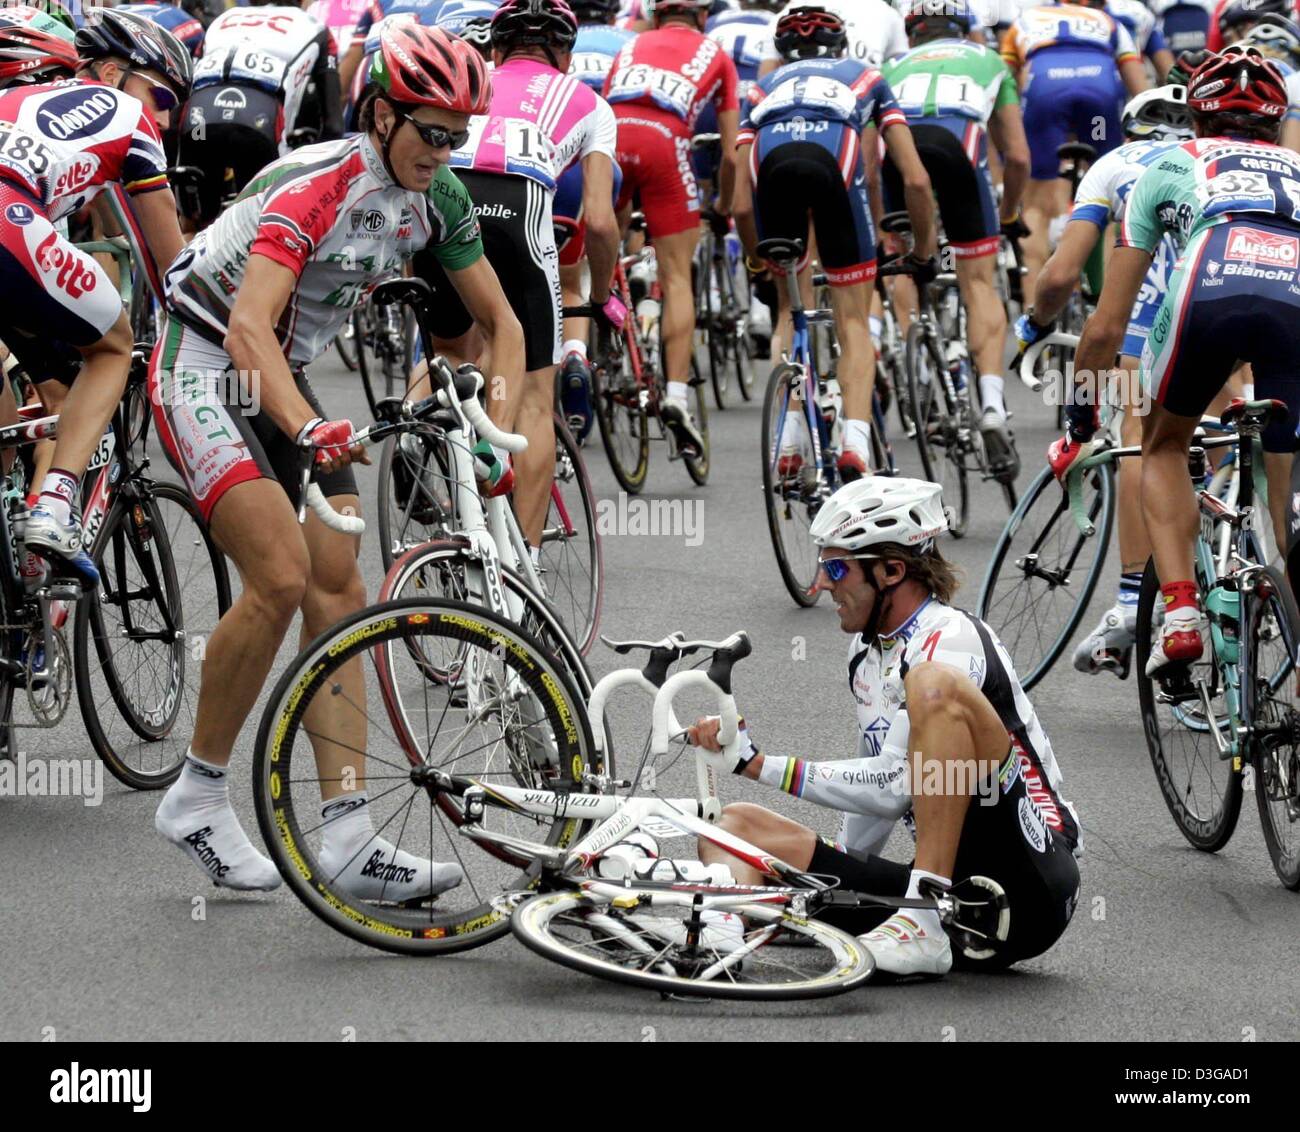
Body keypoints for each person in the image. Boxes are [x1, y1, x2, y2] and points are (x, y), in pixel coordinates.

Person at [149, 23, 522, 893]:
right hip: (202, 361)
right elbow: (246, 326)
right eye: (431, 132)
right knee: (279, 576)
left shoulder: (443, 199)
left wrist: (492, 431)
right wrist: (305, 425)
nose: (445, 151)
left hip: (281, 369)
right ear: (383, 114)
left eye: (459, 135)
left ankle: (349, 838)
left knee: (338, 586)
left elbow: (499, 327)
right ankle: (198, 793)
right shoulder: (320, 185)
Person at [688, 476, 1083, 978]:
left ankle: (921, 927)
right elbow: (873, 794)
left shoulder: (951, 639)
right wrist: (829, 882)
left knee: (931, 685)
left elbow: (894, 787)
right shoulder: (866, 652)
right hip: (951, 897)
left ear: (893, 569)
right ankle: (724, 931)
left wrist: (757, 763)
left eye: (836, 567)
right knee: (737, 826)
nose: (822, 584)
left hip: (1028, 884)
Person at [1056, 47, 1300, 675]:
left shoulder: (1169, 163)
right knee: (1283, 482)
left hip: (1207, 293)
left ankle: (1181, 618)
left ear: (1195, 118)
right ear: (1276, 127)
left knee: (1162, 444)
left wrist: (1080, 424)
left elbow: (1106, 327)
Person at [0, 10, 190, 581]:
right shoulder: (131, 119)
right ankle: (55, 504)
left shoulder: (23, 100)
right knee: (112, 348)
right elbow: (170, 263)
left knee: (5, 441)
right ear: (110, 73)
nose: (164, 113)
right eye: (161, 93)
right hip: (7, 220)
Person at [1018, 84, 1194, 678]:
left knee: (1140, 444)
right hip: (1235, 307)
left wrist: (1033, 324)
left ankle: (1128, 603)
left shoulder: (1113, 164)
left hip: (1145, 326)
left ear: (1128, 129)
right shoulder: (1213, 157)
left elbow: (1062, 274)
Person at [432, 0, 620, 547]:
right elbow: (603, 224)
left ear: (494, 48)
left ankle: (424, 446)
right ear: (564, 52)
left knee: (448, 353)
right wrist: (601, 295)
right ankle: (525, 571)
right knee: (538, 395)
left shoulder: (470, 75)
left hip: (444, 194)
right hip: (519, 207)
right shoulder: (589, 101)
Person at [733, 5, 937, 479]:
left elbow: (742, 204)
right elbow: (917, 180)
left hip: (774, 171)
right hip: (835, 172)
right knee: (853, 322)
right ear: (840, 45)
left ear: (783, 52)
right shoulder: (865, 75)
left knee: (791, 310)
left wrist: (757, 259)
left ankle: (787, 440)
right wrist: (923, 251)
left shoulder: (763, 88)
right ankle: (855, 444)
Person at [883, 0, 1031, 482]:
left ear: (912, 34)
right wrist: (1008, 216)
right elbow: (1020, 157)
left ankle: (917, 365)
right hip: (957, 157)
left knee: (907, 262)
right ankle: (990, 402)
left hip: (897, 162)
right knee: (979, 284)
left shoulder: (890, 66)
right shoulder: (987, 59)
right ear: (964, 29)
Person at [603, 0, 739, 459]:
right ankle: (677, 395)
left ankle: (608, 326)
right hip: (665, 141)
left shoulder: (631, 44)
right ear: (701, 17)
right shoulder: (715, 52)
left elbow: (602, 113)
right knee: (678, 275)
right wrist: (722, 204)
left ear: (657, 17)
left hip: (615, 133)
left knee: (603, 246)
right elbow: (731, 152)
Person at [1001, 1, 1149, 298]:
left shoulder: (1025, 19)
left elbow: (1005, 88)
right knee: (1107, 197)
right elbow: (1142, 93)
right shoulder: (1107, 20)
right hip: (1099, 88)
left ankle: (1035, 318)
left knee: (1035, 209)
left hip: (1045, 87)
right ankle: (1105, 304)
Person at [174, 0, 344, 228]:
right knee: (259, 230)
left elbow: (185, 87)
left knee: (196, 227)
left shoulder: (224, 18)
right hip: (259, 122)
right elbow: (334, 126)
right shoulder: (315, 25)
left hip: (199, 120)